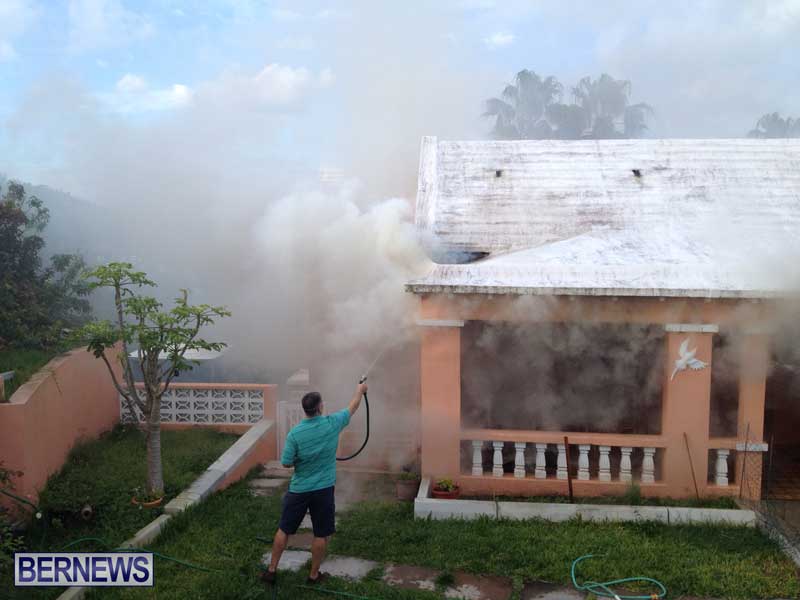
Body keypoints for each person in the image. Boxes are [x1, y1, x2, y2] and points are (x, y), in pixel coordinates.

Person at [261, 381, 367, 586]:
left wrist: (301, 459)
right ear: (320, 407)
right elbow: (352, 407)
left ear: (305, 410)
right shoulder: (332, 423)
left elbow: (286, 462)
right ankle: (313, 575)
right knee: (321, 533)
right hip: (323, 490)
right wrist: (360, 391)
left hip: (299, 490)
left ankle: (271, 571)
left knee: (284, 529)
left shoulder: (295, 434)